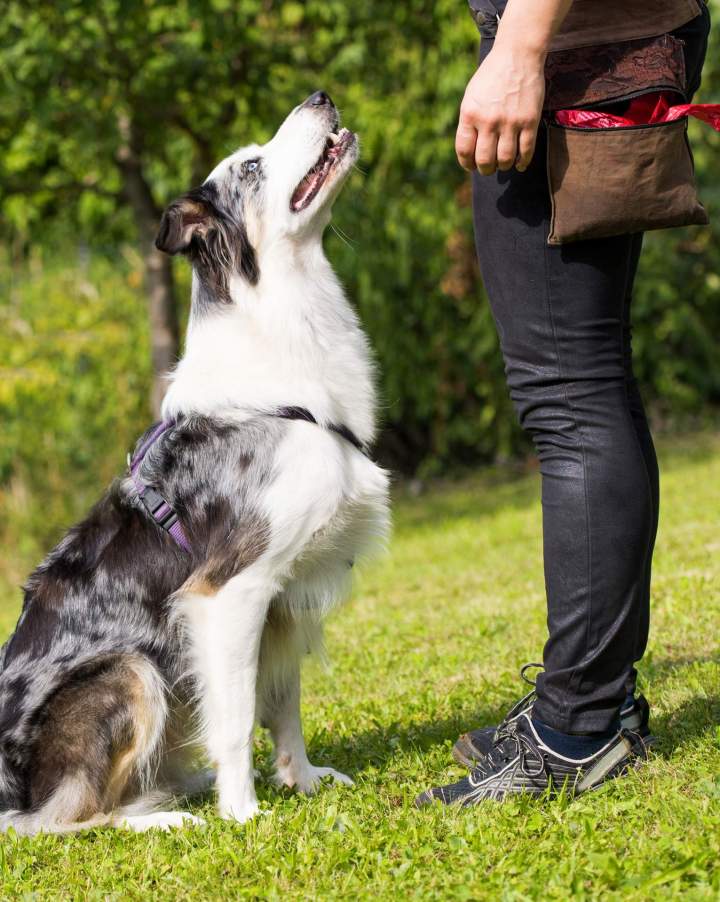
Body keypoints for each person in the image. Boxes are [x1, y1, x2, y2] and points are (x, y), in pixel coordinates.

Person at [418, 0, 711, 805]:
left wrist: (520, 46)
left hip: (578, 47)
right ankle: (597, 697)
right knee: (583, 380)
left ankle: (578, 727)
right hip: (597, 41)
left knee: (570, 391)